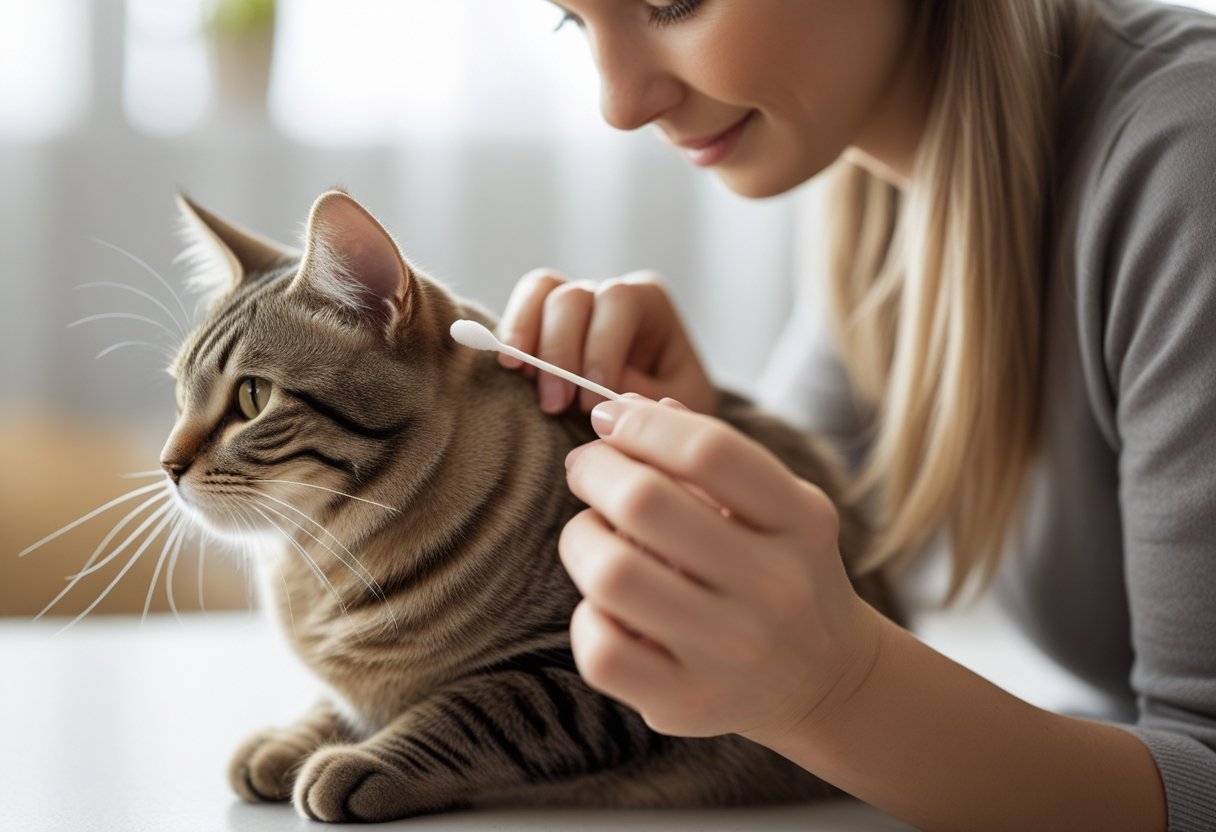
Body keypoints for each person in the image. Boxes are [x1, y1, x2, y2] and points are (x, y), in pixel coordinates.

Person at [498, 1, 1216, 829]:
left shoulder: (1189, 159)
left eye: (672, 1)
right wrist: (715, 438)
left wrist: (830, 693)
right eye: (572, 22)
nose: (621, 106)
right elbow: (837, 563)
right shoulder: (877, 190)